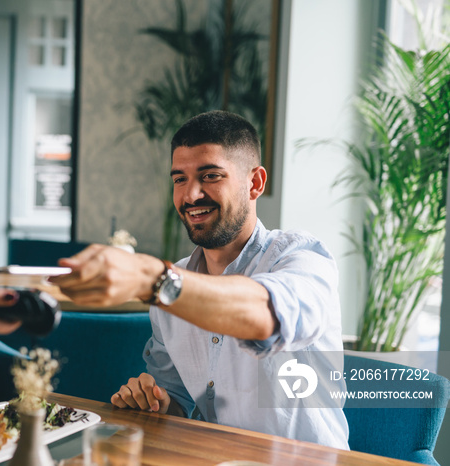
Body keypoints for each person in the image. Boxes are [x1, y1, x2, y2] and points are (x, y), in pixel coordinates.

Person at [50, 110, 348, 449]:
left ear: (255, 183)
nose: (191, 195)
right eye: (179, 179)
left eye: (210, 176)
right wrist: (156, 403)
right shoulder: (172, 286)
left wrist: (152, 278)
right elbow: (175, 401)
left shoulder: (304, 258)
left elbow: (265, 314)